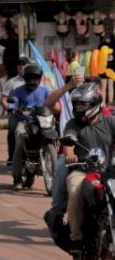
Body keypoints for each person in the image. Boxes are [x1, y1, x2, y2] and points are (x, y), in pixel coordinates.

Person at [55, 83, 115, 253]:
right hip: (82, 170)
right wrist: (69, 154)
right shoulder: (74, 124)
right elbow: (68, 141)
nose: (79, 108)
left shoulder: (110, 121)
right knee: (74, 191)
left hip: (108, 172)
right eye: (76, 104)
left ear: (94, 103)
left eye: (83, 104)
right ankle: (77, 238)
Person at [43, 72, 86, 232]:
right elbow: (48, 102)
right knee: (61, 167)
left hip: (97, 158)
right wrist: (69, 86)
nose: (84, 104)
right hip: (72, 156)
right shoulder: (67, 107)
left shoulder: (103, 115)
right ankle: (57, 212)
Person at [9, 63, 52, 191]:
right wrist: (14, 109)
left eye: (35, 78)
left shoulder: (45, 91)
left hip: (42, 121)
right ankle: (17, 177)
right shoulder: (18, 91)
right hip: (25, 122)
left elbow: (52, 103)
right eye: (29, 78)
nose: (32, 81)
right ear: (25, 78)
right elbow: (12, 103)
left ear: (40, 78)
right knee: (19, 139)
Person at [1, 55, 31, 165]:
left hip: (32, 113)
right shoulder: (11, 82)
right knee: (12, 131)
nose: (22, 66)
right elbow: (3, 99)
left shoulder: (36, 79)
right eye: (19, 64)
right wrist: (9, 109)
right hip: (16, 113)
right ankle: (11, 157)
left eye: (24, 64)